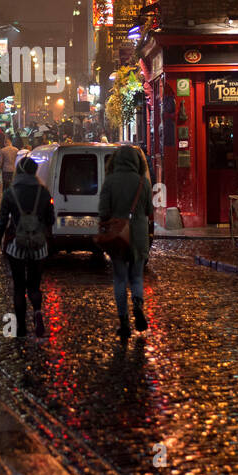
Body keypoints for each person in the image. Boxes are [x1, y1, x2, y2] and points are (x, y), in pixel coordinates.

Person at [0, 157, 55, 339]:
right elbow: (51, 219)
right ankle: (38, 314)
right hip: (38, 246)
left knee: (19, 287)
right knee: (34, 286)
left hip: (15, 246)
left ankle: (19, 328)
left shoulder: (11, 192)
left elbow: (2, 222)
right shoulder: (43, 192)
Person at [98, 145, 153, 340]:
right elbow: (148, 210)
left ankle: (124, 323)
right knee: (137, 277)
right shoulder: (142, 182)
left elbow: (103, 211)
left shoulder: (110, 181)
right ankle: (137, 304)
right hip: (138, 235)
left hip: (118, 235)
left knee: (120, 278)